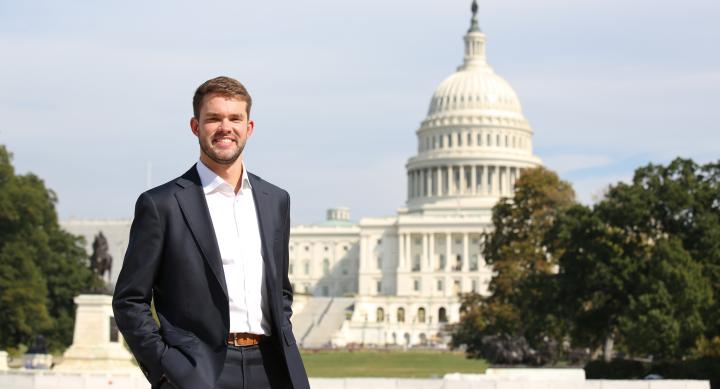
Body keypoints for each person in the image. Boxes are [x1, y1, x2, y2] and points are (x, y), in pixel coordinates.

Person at [112, 76, 309, 389]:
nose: (225, 127)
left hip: (272, 369)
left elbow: (280, 290)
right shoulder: (162, 204)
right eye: (213, 118)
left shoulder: (276, 200)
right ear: (195, 126)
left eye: (235, 118)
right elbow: (129, 300)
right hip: (199, 373)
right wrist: (166, 368)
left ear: (249, 127)